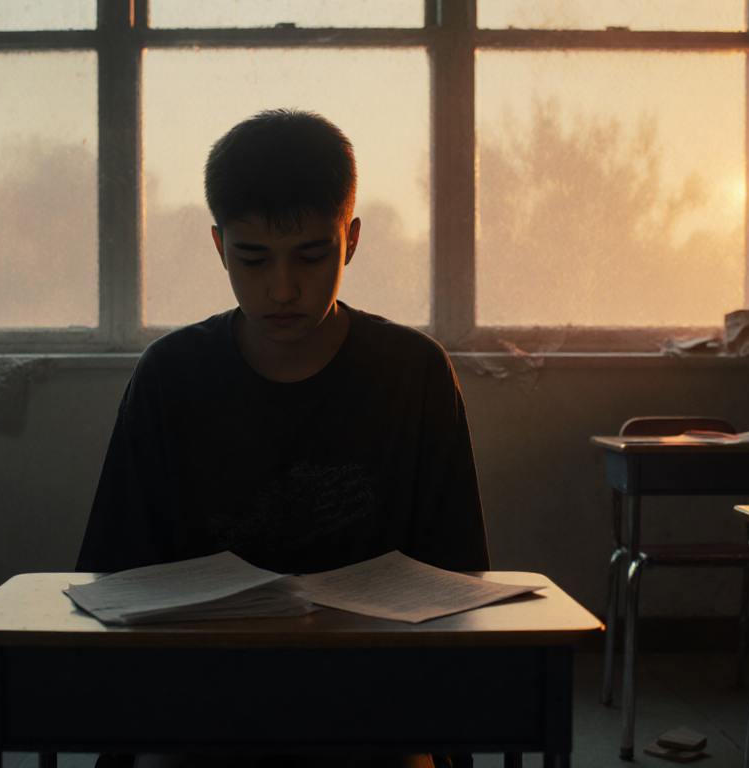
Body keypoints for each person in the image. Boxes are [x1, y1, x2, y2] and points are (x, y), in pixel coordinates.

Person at [77, 109, 489, 768]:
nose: (283, 288)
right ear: (219, 247)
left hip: (371, 698)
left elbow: (458, 573)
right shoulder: (171, 375)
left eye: (311, 255)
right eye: (252, 257)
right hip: (202, 697)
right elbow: (114, 571)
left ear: (351, 240)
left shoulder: (414, 372)